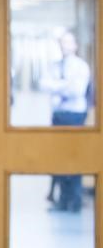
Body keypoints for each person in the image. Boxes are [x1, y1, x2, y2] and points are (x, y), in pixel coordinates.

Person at [41, 30, 91, 212]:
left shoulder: (81, 67)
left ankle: (75, 201)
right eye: (62, 42)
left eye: (68, 42)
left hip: (75, 116)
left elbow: (76, 91)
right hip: (58, 115)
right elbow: (44, 84)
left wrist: (57, 87)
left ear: (75, 45)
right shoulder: (55, 66)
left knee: (74, 156)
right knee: (58, 158)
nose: (65, 46)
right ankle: (62, 200)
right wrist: (65, 85)